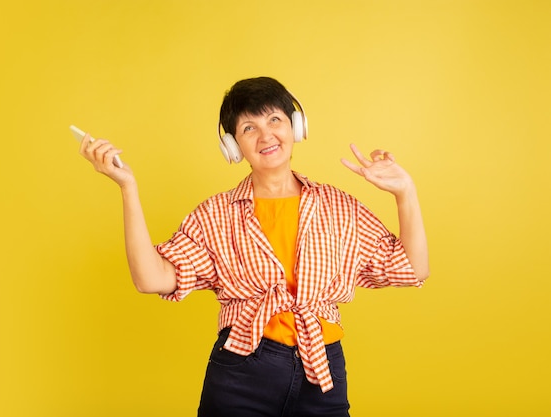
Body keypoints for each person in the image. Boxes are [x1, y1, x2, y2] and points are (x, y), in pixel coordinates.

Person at [79, 76, 429, 417]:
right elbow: (151, 279)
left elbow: (413, 269)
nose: (266, 135)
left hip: (323, 371)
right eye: (249, 128)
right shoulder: (215, 215)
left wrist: (405, 193)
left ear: (296, 126)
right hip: (242, 373)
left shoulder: (339, 207)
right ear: (233, 146)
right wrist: (128, 188)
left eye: (275, 119)